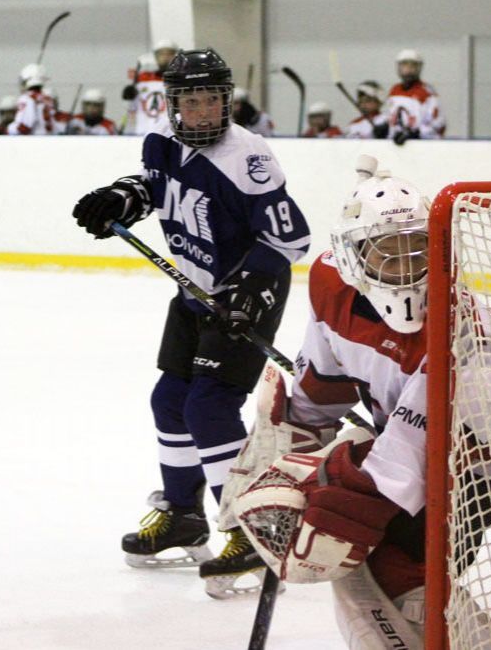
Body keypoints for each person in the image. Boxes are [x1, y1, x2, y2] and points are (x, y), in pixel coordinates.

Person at [232, 156, 491, 647]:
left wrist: (334, 480)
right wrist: (293, 436)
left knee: (387, 558)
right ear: (353, 256)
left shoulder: (461, 332)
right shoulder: (332, 285)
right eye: (389, 251)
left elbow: (414, 456)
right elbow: (324, 379)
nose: (406, 267)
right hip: (416, 437)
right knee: (363, 554)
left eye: (418, 249)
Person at [71, 48, 311, 599]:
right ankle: (184, 515)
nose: (202, 113)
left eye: (211, 101)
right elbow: (158, 187)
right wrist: (124, 197)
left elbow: (290, 238)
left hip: (247, 294)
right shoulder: (160, 142)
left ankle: (248, 531)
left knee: (209, 405)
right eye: (190, 102)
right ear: (173, 104)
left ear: (226, 101)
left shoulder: (249, 158)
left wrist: (250, 290)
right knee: (169, 401)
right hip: (194, 292)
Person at [387, 49, 445, 145]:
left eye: (413, 66)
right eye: (404, 65)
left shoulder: (427, 92)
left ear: (419, 68)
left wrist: (417, 133)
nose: (408, 70)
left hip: (420, 146)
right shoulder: (394, 90)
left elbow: (439, 123)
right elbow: (393, 118)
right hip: (396, 145)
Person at [121, 39, 177, 136]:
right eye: (162, 54)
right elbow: (130, 107)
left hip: (169, 134)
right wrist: (129, 94)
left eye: (169, 54)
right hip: (142, 132)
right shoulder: (143, 79)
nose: (166, 57)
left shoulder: (181, 80)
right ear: (155, 56)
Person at [7, 63, 56, 135]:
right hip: (48, 139)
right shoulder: (48, 99)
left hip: (32, 141)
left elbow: (25, 127)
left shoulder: (27, 98)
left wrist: (8, 129)